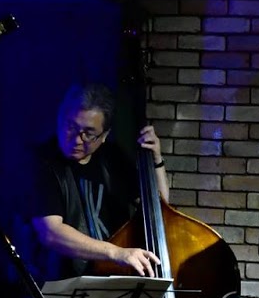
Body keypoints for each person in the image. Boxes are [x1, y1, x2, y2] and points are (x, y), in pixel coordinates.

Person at [29, 82, 169, 278]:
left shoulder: (113, 158)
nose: (77, 140)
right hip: (60, 282)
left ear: (104, 135)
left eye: (88, 134)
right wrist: (116, 252)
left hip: (110, 277)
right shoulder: (41, 161)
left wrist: (156, 160)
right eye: (71, 127)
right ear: (60, 117)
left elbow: (159, 209)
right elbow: (51, 232)